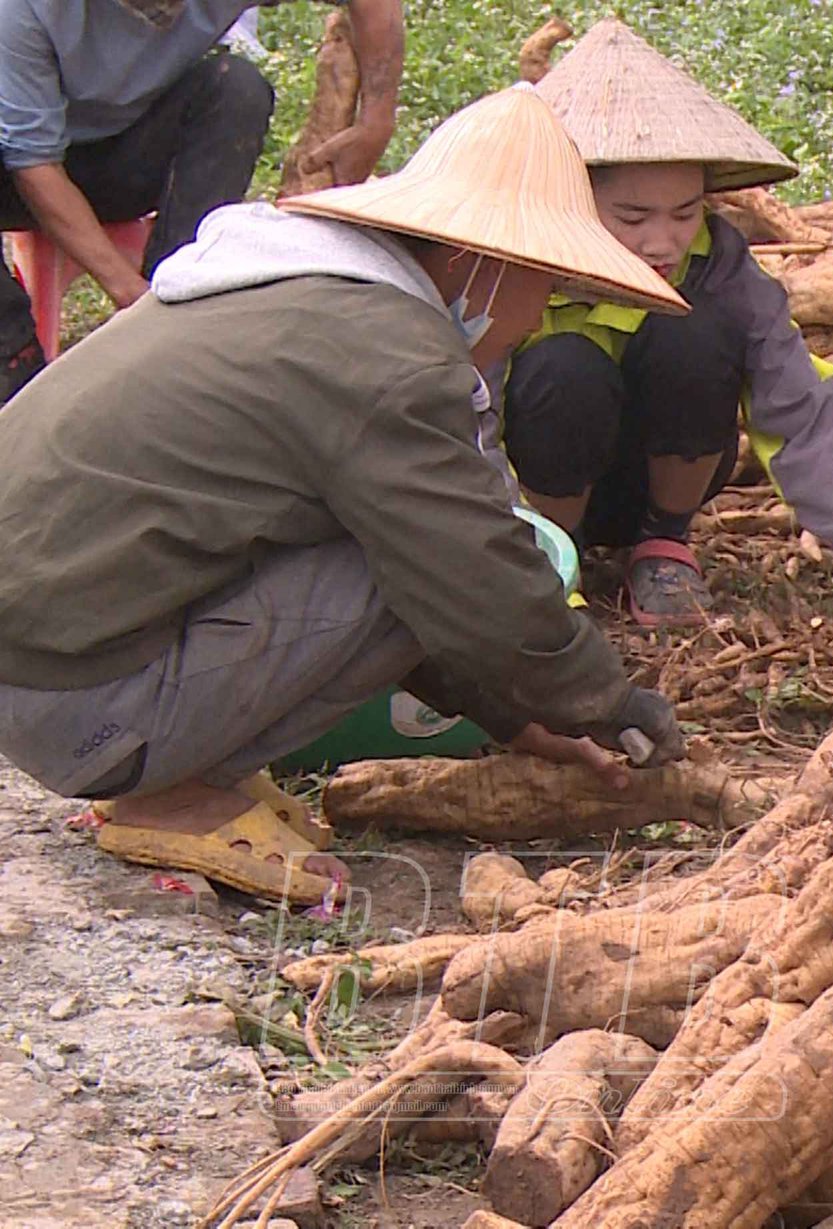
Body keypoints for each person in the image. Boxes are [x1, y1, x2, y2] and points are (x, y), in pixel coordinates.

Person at [0, 86, 688, 905]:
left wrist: (519, 716)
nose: (535, 317)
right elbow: (466, 574)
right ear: (487, 264)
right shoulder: (387, 355)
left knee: (412, 545)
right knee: (436, 554)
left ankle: (179, 762)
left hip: (45, 668)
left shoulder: (302, 292)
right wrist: (608, 701)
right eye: (544, 285)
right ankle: (168, 787)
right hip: (77, 701)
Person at [505, 19, 833, 657]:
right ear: (570, 198)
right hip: (536, 495)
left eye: (683, 214)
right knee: (562, 368)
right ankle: (556, 561)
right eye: (632, 218)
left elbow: (808, 417)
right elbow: (459, 422)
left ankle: (663, 546)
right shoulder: (513, 269)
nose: (661, 242)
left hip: (659, 477)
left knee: (693, 332)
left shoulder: (722, 272)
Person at [0, 0, 406, 403]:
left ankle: (180, 307)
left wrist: (376, 121)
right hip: (16, 168)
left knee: (235, 90)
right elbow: (33, 163)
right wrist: (126, 290)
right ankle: (15, 372)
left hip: (115, 151)